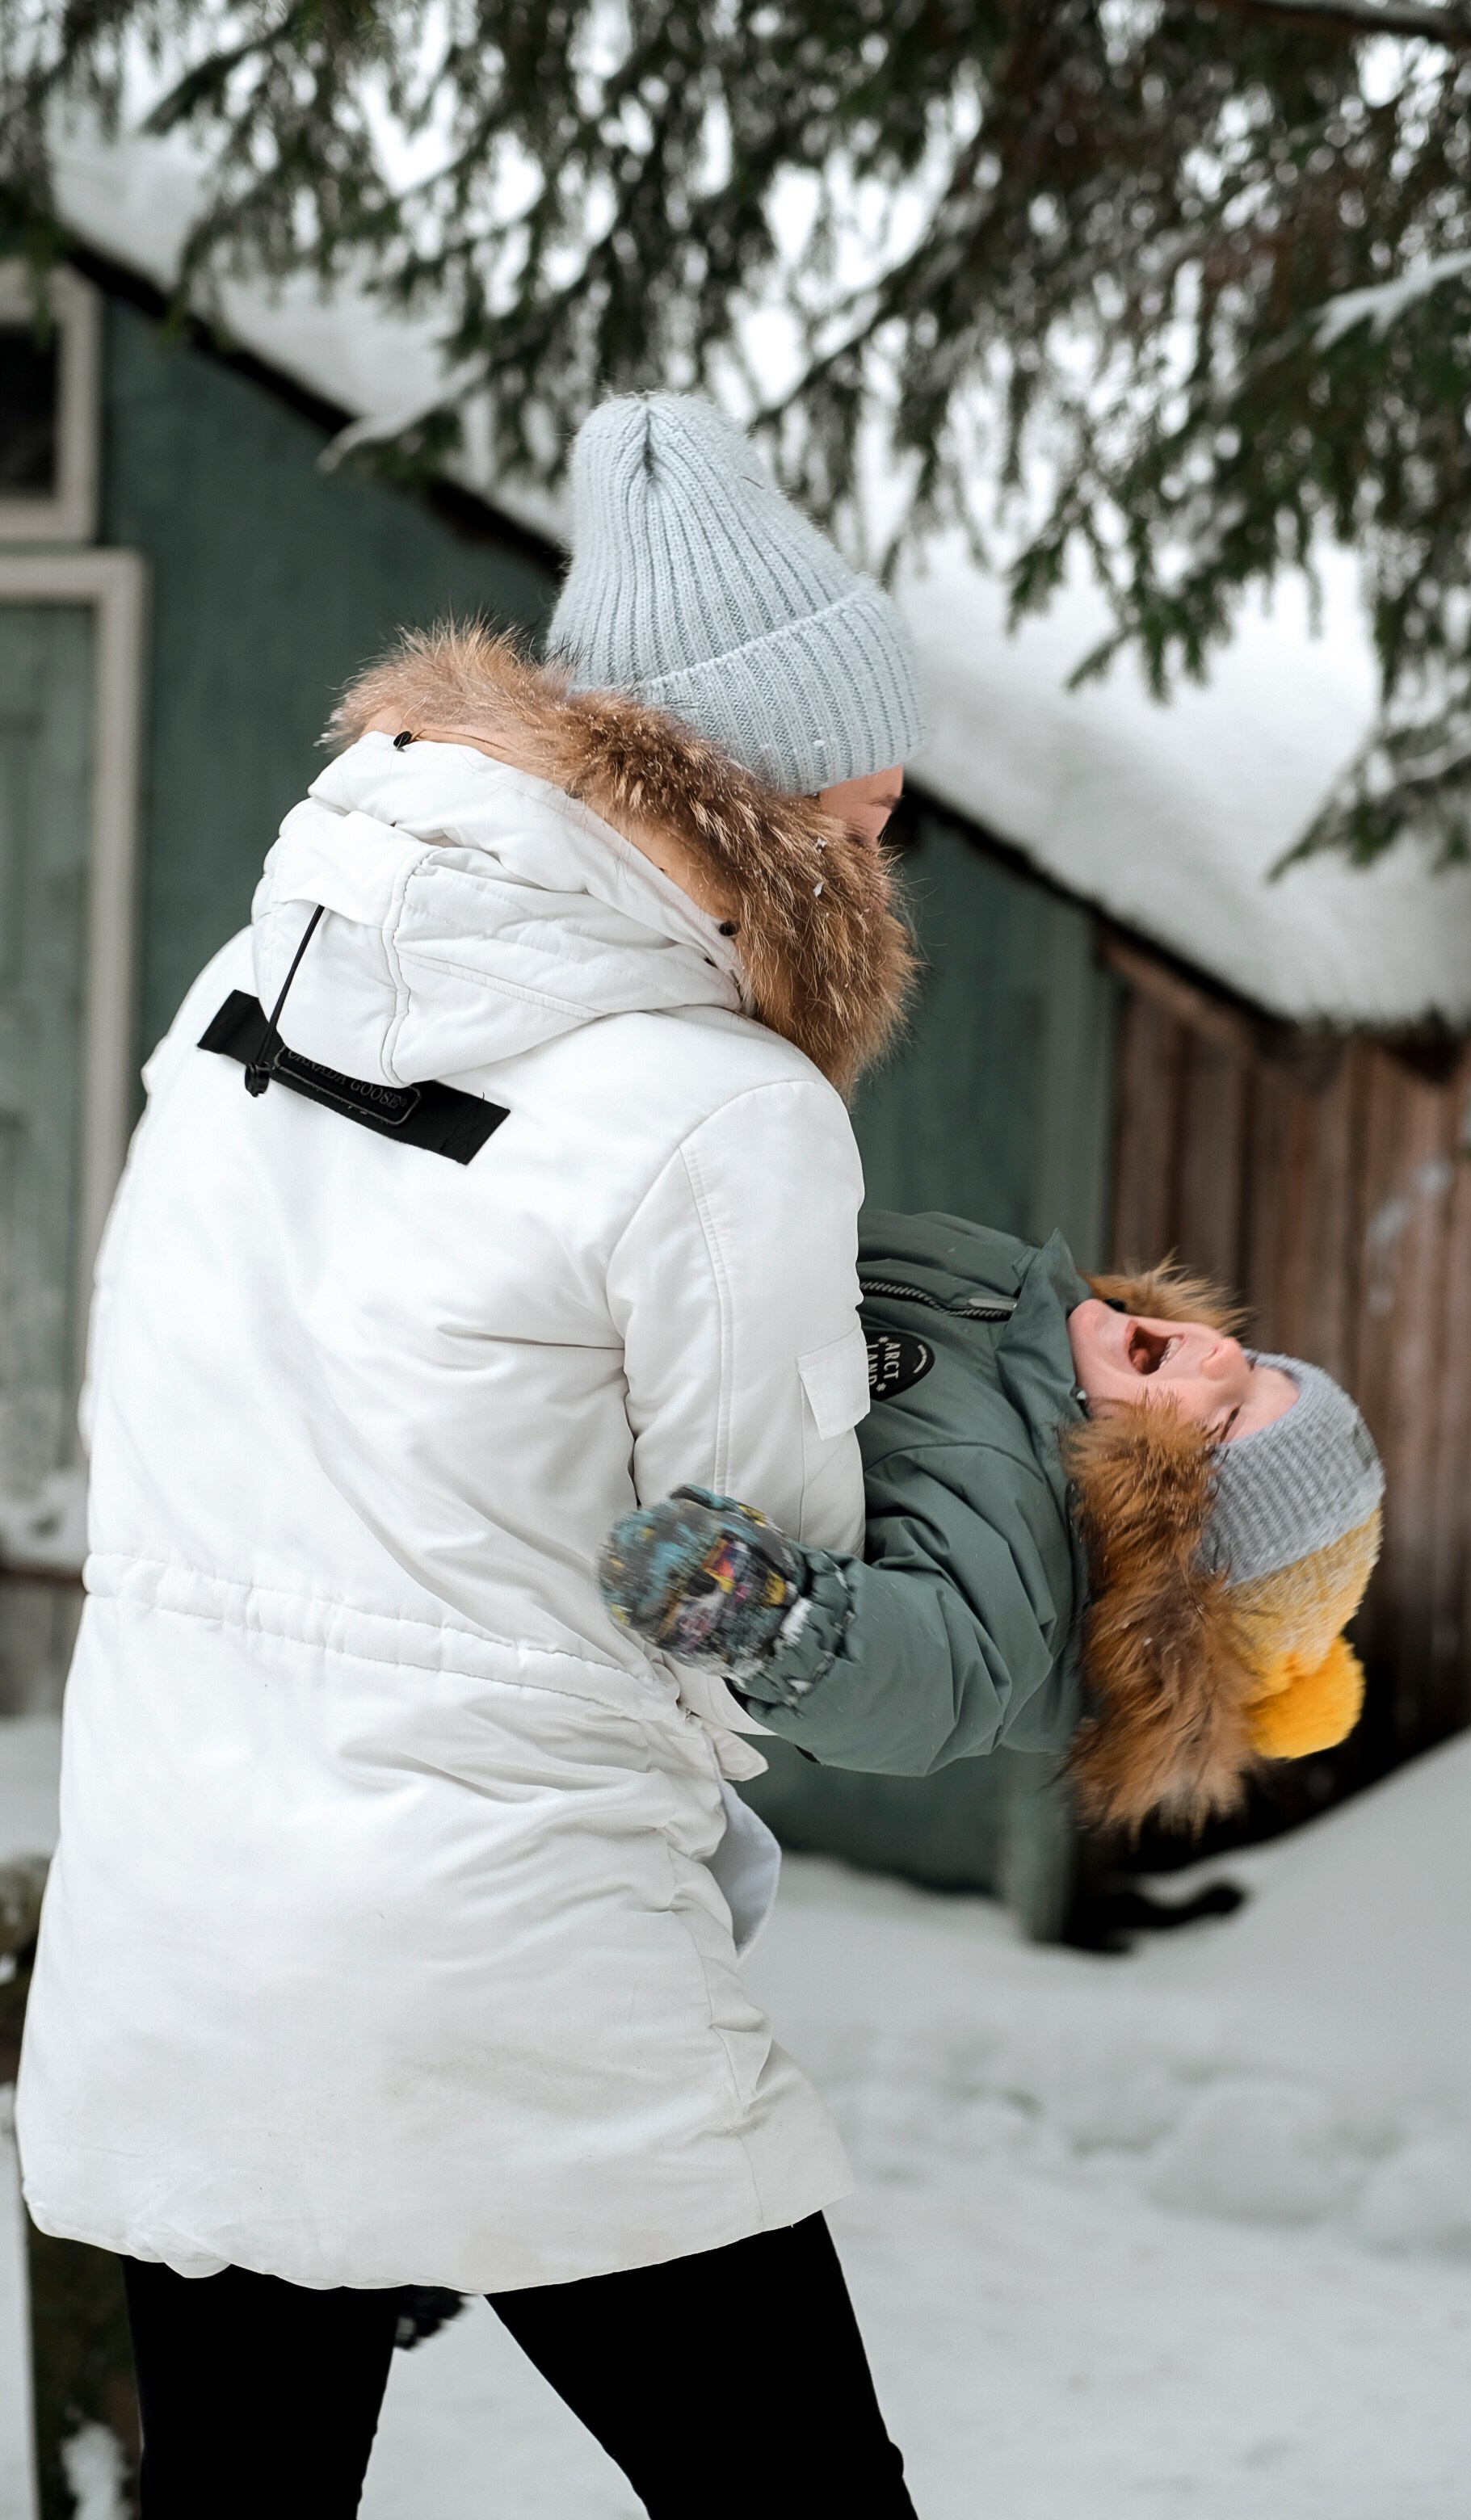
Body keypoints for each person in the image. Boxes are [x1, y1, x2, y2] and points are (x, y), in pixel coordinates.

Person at [18, 395, 926, 2517]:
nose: (888, 853)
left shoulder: (253, 990)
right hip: (512, 1964)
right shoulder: (725, 1109)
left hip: (178, 1928)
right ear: (767, 792)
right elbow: (734, 1591)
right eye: (874, 813)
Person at [600, 1208, 1385, 1825]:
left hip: (607, 1423)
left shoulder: (1026, 1572)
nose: (1218, 1355)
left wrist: (766, 1615)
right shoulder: (1022, 1302)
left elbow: (933, 1672)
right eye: (1253, 1367)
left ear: (1149, 1543)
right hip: (642, 1258)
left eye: (1218, 1426)